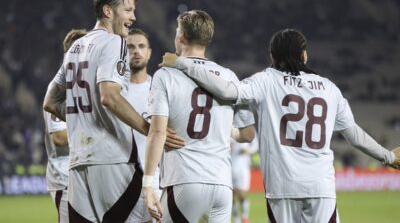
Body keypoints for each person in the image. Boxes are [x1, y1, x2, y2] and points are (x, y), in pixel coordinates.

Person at [159, 28, 400, 223]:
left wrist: (182, 63)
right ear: (304, 55)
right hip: (320, 185)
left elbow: (228, 90)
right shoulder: (329, 88)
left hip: (282, 187)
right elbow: (354, 135)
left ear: (273, 56)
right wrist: (388, 156)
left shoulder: (265, 81)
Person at [43, 0, 183, 222]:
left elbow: (50, 101)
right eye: (128, 10)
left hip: (79, 163)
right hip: (114, 160)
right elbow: (109, 96)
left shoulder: (75, 48)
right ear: (108, 11)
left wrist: (84, 120)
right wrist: (149, 131)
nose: (133, 17)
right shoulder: (114, 42)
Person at [142, 10, 255, 222]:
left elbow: (157, 133)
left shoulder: (166, 74)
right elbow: (248, 134)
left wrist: (148, 185)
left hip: (186, 180)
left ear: (182, 36)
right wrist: (224, 128)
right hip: (222, 185)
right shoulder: (229, 77)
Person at [43, 29, 86, 223]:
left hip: (87, 173)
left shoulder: (88, 86)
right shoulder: (60, 89)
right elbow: (59, 137)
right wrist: (92, 133)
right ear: (67, 55)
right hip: (64, 176)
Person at [124, 28, 162, 222]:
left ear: (149, 52)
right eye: (130, 47)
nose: (136, 51)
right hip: (122, 179)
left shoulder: (159, 88)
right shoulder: (115, 92)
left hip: (156, 178)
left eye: (141, 46)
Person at [231, 134, 258, 223]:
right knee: (231, 195)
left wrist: (248, 150)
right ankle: (236, 218)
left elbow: (255, 145)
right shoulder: (229, 127)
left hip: (243, 167)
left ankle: (244, 216)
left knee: (242, 193)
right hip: (230, 166)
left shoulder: (248, 127)